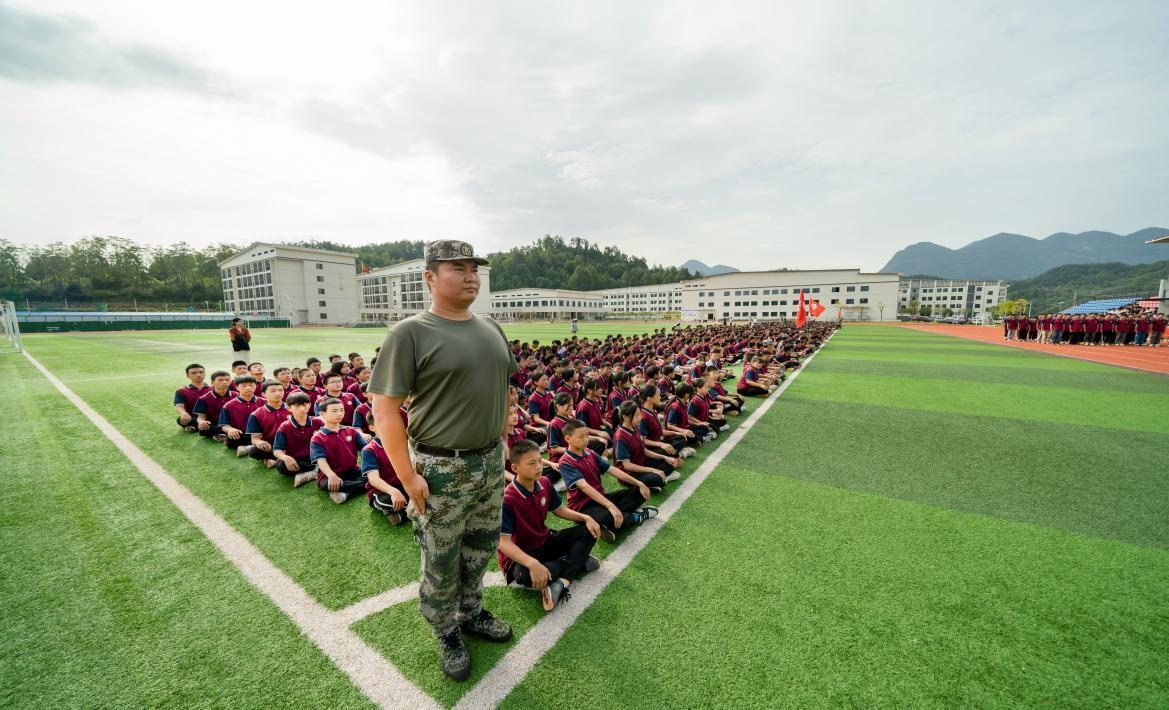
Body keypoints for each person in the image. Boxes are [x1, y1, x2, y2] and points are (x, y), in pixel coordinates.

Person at [366, 239, 516, 682]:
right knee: (441, 556)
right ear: (430, 277)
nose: (471, 275)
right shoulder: (410, 332)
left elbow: (503, 383)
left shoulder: (490, 326)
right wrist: (407, 475)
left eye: (474, 268)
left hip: (488, 463)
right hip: (441, 468)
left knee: (481, 547)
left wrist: (501, 435)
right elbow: (384, 408)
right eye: (458, 268)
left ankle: (471, 612)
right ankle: (445, 628)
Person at [497, 439, 601, 612]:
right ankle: (576, 561)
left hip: (544, 542)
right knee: (531, 574)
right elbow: (503, 543)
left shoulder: (544, 482)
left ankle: (561, 582)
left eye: (539, 460)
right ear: (515, 468)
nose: (538, 466)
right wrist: (532, 563)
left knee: (588, 532)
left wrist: (586, 518)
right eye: (531, 463)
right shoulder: (507, 500)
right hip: (520, 557)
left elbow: (560, 510)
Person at [558, 419, 658, 541]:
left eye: (587, 435)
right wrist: (610, 506)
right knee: (608, 515)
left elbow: (612, 469)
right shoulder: (565, 462)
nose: (586, 439)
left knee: (639, 492)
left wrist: (639, 483)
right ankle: (637, 516)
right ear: (567, 439)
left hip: (601, 498)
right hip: (583, 506)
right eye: (581, 437)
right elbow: (584, 486)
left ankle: (609, 524)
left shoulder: (590, 453)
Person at [309, 397, 371, 504]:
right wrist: (332, 475)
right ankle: (360, 486)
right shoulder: (318, 437)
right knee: (327, 484)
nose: (339, 414)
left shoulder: (350, 430)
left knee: (374, 475)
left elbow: (366, 449)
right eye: (334, 411)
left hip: (353, 470)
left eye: (342, 410)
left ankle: (346, 492)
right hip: (330, 474)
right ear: (322, 414)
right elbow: (320, 460)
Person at [613, 401, 680, 491]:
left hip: (641, 464)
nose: (640, 418)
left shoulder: (635, 428)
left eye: (640, 414)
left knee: (669, 463)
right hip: (629, 473)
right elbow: (627, 466)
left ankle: (658, 482)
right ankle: (657, 481)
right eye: (637, 415)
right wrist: (652, 470)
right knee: (656, 477)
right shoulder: (620, 436)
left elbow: (644, 450)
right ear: (625, 417)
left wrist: (664, 457)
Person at [361, 407, 411, 526]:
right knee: (387, 502)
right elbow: (374, 479)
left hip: (405, 484)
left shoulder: (403, 441)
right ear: (372, 428)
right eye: (381, 422)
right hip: (383, 490)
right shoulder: (369, 450)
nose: (387, 425)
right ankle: (413, 508)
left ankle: (403, 514)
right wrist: (393, 491)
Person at [272, 392, 322, 487]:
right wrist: (286, 457)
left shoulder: (317, 422)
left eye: (305, 405)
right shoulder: (284, 427)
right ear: (289, 407)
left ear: (310, 405)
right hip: (297, 459)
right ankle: (317, 470)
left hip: (316, 456)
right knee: (282, 466)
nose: (302, 408)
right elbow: (277, 450)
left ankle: (314, 471)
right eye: (297, 406)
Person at [244, 380, 291, 467]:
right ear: (263, 394)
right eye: (273, 391)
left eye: (280, 390)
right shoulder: (256, 414)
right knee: (254, 451)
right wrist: (259, 443)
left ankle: (274, 459)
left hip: (293, 443)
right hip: (272, 446)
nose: (278, 393)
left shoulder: (293, 408)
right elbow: (254, 439)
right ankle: (280, 458)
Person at [218, 375, 263, 453]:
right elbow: (224, 425)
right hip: (243, 434)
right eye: (244, 386)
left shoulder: (264, 402)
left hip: (261, 433)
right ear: (237, 387)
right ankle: (254, 446)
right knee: (231, 439)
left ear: (256, 386)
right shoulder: (228, 405)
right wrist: (231, 430)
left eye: (251, 385)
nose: (248, 388)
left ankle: (249, 448)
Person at [193, 370, 233, 441]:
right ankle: (226, 433)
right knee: (203, 428)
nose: (224, 382)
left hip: (233, 423)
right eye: (220, 380)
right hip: (215, 424)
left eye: (227, 380)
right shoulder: (203, 399)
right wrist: (201, 422)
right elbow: (201, 417)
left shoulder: (237, 395)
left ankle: (222, 434)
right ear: (212, 382)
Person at [174, 364, 210, 432]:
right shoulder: (182, 390)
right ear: (188, 376)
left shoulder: (214, 388)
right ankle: (205, 427)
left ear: (205, 373)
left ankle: (195, 428)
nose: (198, 375)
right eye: (194, 373)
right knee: (180, 419)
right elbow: (179, 406)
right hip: (193, 418)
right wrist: (183, 413)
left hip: (211, 417)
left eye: (201, 372)